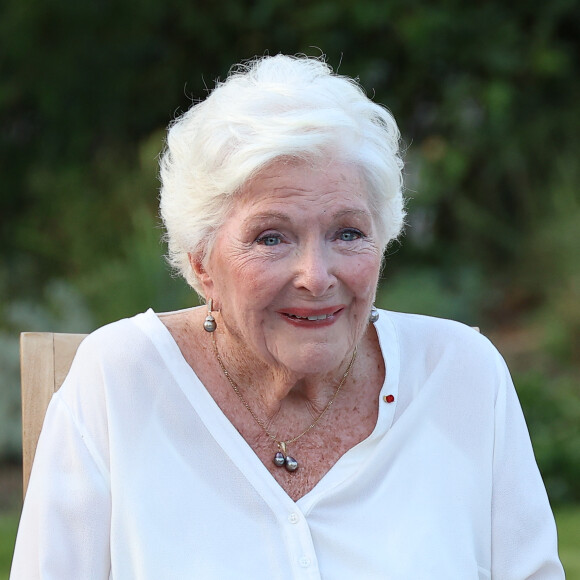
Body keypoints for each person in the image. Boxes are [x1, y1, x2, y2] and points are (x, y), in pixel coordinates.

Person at [11, 54, 564, 579]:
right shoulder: (120, 380)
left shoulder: (462, 375)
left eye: (348, 233)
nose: (316, 276)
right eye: (271, 237)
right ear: (202, 264)